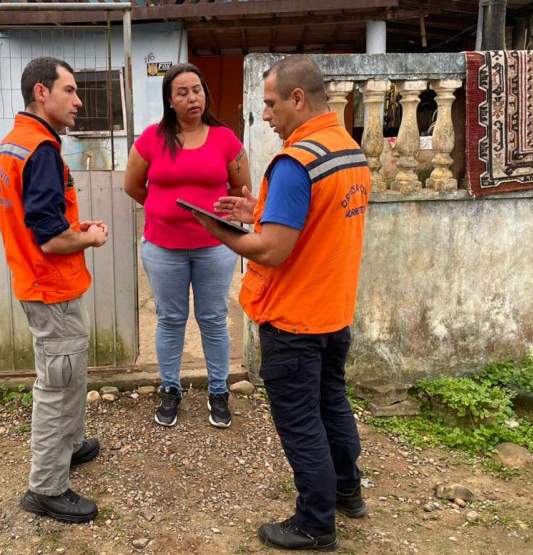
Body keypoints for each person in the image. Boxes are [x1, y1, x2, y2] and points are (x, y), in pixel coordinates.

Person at [193, 55, 370, 551]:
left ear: (297, 98)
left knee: (300, 421)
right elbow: (315, 221)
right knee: (332, 403)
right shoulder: (347, 150)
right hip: (333, 311)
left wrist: (217, 229)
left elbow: (272, 248)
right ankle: (347, 492)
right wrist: (258, 211)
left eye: (270, 104)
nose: (265, 114)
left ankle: (315, 523)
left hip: (293, 317)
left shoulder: (297, 160)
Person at [0, 57, 108, 524]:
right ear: (42, 92)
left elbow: (19, 219)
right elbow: (50, 238)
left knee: (68, 372)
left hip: (36, 280)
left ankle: (70, 445)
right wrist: (90, 237)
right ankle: (46, 487)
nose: (77, 101)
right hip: (49, 287)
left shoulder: (10, 147)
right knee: (58, 384)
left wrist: (71, 227)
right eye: (70, 90)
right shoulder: (39, 150)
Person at [124, 63, 251, 428]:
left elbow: (240, 189)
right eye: (182, 92)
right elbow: (133, 186)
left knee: (213, 319)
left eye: (197, 89)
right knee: (170, 320)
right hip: (163, 247)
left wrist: (217, 217)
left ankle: (218, 390)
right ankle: (169, 388)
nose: (192, 97)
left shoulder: (225, 139)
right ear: (169, 99)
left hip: (215, 245)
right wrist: (165, 211)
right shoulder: (151, 139)